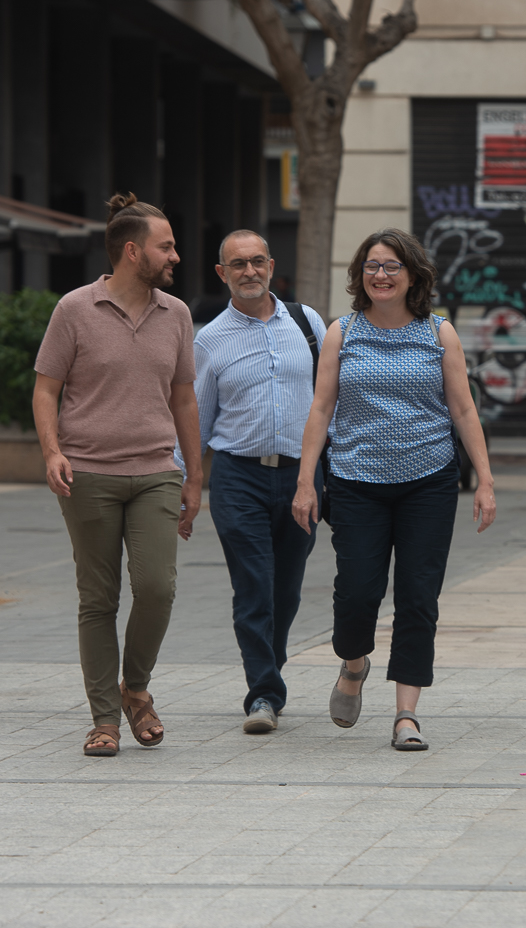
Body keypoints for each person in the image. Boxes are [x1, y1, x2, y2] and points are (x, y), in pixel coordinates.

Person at [292, 227, 496, 751]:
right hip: (356, 482)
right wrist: (306, 481)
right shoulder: (342, 332)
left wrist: (485, 480)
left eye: (391, 266)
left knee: (418, 597)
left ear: (412, 275)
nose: (380, 275)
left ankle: (407, 715)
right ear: (360, 275)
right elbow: (321, 408)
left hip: (428, 481)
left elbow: (463, 408)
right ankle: (353, 663)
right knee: (357, 592)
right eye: (371, 266)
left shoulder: (439, 333)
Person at [32, 193, 202, 757]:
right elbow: (46, 390)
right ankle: (104, 718)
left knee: (157, 588)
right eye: (166, 247)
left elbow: (184, 399)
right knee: (98, 599)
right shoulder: (75, 309)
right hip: (87, 474)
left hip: (156, 470)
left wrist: (194, 477)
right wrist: (52, 452)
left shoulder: (176, 314)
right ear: (133, 252)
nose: (175, 256)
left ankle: (136, 687)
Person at [192, 230, 328, 735]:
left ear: (271, 266)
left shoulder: (307, 323)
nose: (249, 271)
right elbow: (198, 420)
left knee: (285, 591)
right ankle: (264, 694)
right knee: (254, 587)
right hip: (238, 477)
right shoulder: (208, 340)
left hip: (301, 477)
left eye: (257, 261)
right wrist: (186, 483)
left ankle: (270, 675)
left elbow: (328, 400)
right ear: (221, 273)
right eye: (237, 264)